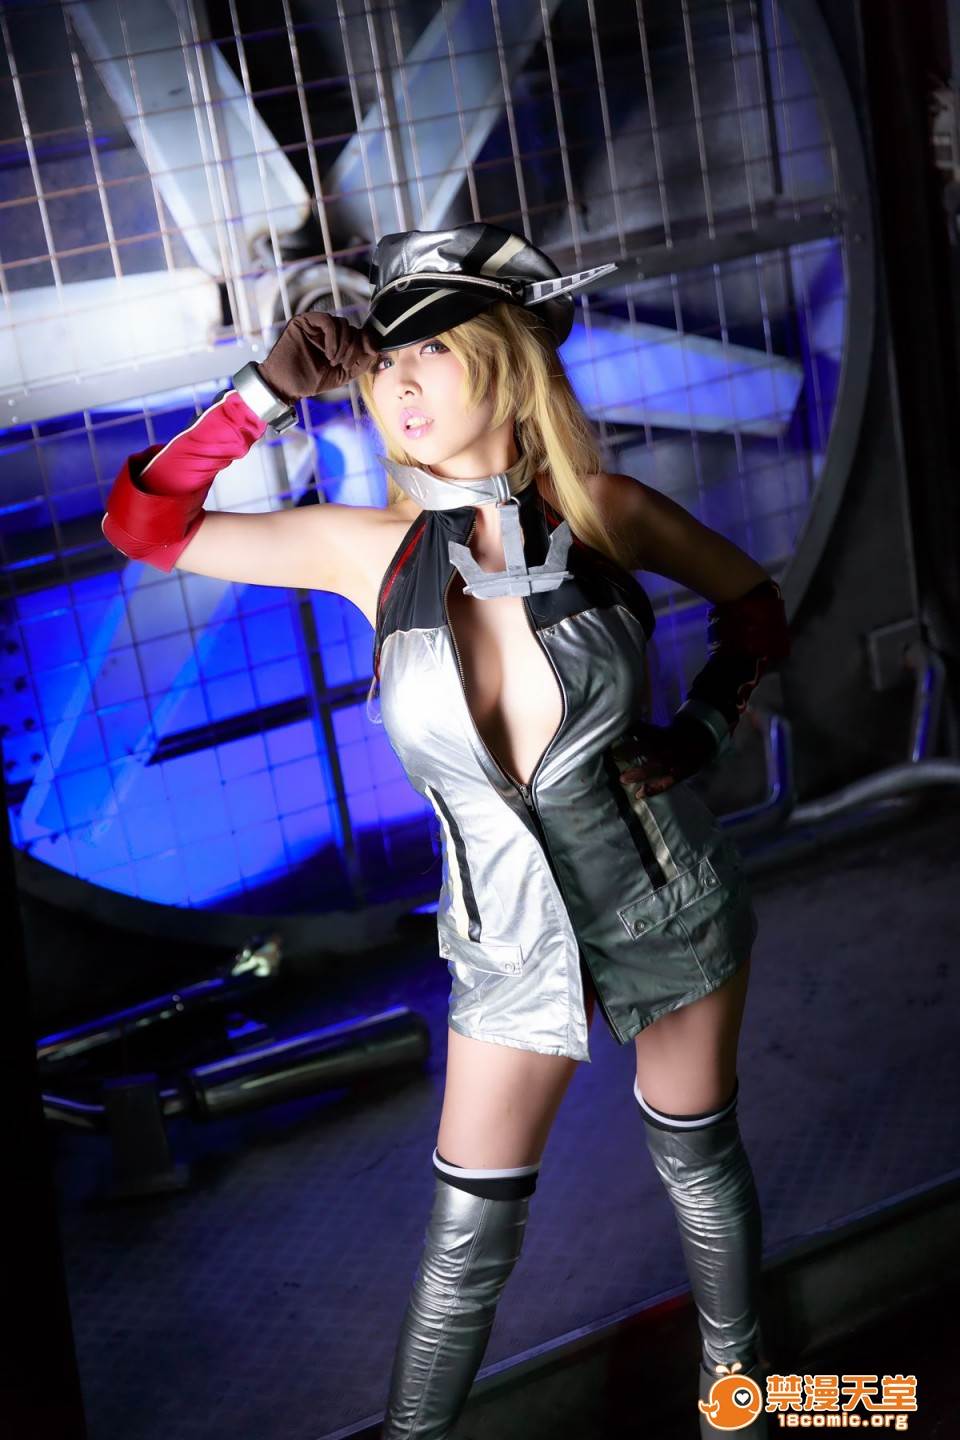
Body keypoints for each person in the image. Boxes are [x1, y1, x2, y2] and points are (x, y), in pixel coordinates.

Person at [101, 221, 791, 1439]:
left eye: (432, 352)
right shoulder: (364, 551)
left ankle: (740, 1412)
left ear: (508, 366)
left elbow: (754, 607)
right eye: (384, 364)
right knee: (466, 1240)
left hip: (665, 905)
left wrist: (699, 733)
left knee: (701, 1171)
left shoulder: (606, 513)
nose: (399, 382)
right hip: (504, 944)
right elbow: (144, 528)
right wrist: (265, 389)